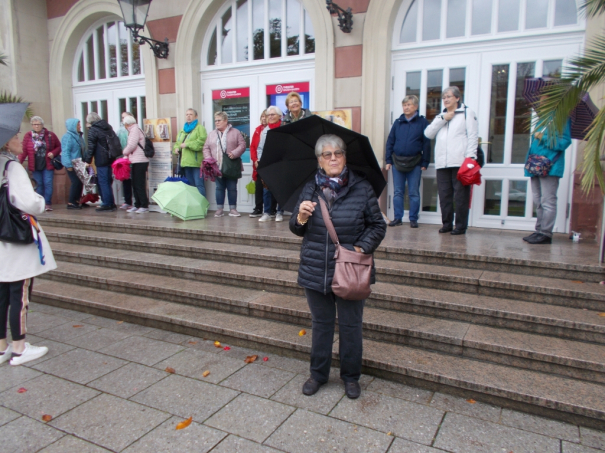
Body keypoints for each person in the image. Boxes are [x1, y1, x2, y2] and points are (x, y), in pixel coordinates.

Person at [289, 134, 386, 399]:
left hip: (351, 269)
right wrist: (300, 217)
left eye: (338, 153)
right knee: (321, 324)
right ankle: (318, 374)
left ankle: (351, 377)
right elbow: (297, 229)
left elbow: (377, 225)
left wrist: (359, 248)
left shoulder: (362, 188)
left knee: (351, 326)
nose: (333, 158)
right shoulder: (309, 189)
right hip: (315, 267)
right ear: (319, 160)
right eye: (326, 154)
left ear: (345, 157)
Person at [1, 131, 57, 366]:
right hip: (16, 238)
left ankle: (2, 346)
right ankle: (20, 348)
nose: (19, 140)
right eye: (15, 136)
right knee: (19, 293)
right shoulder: (11, 167)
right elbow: (29, 202)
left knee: (2, 294)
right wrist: (40, 201)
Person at [424, 86, 478, 235]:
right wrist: (442, 119)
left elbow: (473, 137)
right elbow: (428, 134)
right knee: (444, 195)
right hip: (442, 162)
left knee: (460, 196)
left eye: (449, 96)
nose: (446, 100)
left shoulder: (467, 113)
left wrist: (470, 158)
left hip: (460, 162)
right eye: (444, 97)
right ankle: (447, 224)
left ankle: (460, 226)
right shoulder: (441, 116)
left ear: (457, 98)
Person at [523, 120, 572, 245]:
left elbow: (564, 142)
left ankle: (546, 233)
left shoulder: (561, 119)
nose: (541, 100)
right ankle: (539, 230)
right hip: (535, 165)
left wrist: (543, 137)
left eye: (543, 98)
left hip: (550, 167)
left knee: (548, 201)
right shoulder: (542, 120)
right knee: (538, 200)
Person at [385, 95, 430, 228]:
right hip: (397, 162)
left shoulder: (422, 123)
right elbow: (390, 142)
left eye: (409, 105)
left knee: (413, 192)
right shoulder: (398, 122)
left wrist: (425, 162)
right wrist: (388, 160)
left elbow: (427, 144)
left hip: (415, 162)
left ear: (415, 106)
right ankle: (397, 218)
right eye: (404, 105)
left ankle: (413, 219)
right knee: (398, 192)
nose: (406, 107)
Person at [203, 112, 246, 217]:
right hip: (216, 165)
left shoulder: (235, 132)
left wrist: (235, 153)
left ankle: (233, 209)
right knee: (219, 187)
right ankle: (219, 209)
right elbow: (206, 147)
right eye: (215, 120)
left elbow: (243, 144)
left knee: (232, 187)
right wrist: (208, 159)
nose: (216, 122)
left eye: (219, 120)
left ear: (226, 121)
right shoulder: (212, 134)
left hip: (231, 165)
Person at [19, 116, 61, 212]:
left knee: (48, 183)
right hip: (35, 164)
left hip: (47, 164)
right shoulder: (28, 136)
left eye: (38, 124)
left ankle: (48, 203)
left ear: (42, 125)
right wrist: (17, 163)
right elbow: (24, 151)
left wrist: (53, 153)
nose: (36, 126)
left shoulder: (50, 135)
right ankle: (40, 204)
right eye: (34, 124)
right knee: (39, 184)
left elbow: (58, 146)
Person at [83, 112, 118, 212]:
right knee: (107, 181)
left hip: (101, 158)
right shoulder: (107, 127)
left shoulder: (93, 130)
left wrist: (87, 160)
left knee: (103, 182)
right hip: (110, 157)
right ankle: (111, 203)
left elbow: (91, 147)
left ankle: (107, 203)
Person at [173, 108, 207, 198]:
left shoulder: (200, 128)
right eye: (187, 114)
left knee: (199, 185)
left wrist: (188, 144)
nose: (188, 116)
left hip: (196, 163)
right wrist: (176, 149)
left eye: (191, 114)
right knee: (190, 186)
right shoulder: (182, 130)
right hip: (185, 163)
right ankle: (193, 206)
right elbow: (177, 143)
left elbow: (202, 143)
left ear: (196, 116)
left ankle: (202, 206)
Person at [258, 106, 284, 222]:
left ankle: (279, 212)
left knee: (280, 189)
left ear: (279, 116)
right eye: (269, 115)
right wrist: (259, 160)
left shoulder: (284, 128)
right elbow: (260, 148)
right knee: (266, 190)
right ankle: (267, 212)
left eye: (273, 114)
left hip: (281, 163)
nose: (271, 117)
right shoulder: (264, 131)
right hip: (268, 164)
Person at [122, 115, 150, 213]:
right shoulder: (134, 129)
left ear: (127, 124)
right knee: (135, 183)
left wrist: (124, 152)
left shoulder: (134, 130)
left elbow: (132, 145)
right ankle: (137, 204)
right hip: (136, 160)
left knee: (139, 183)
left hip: (140, 160)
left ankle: (143, 204)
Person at [60, 118, 85, 210]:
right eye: (78, 125)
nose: (80, 126)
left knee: (80, 181)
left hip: (79, 163)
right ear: (72, 126)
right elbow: (65, 151)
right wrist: (68, 165)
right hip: (71, 163)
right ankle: (71, 202)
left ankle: (77, 201)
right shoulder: (68, 137)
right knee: (75, 182)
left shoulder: (79, 136)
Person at [249, 110, 268, 217]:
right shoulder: (257, 130)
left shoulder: (270, 129)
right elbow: (252, 147)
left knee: (269, 188)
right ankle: (258, 208)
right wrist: (255, 159)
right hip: (258, 163)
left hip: (267, 162)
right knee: (259, 186)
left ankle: (270, 209)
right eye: (262, 116)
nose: (263, 118)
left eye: (265, 116)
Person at [117, 111, 134, 210]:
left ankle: (135, 201)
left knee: (135, 182)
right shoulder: (120, 131)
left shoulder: (134, 129)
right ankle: (127, 201)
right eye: (122, 117)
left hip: (133, 159)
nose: (123, 119)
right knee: (126, 181)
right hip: (124, 160)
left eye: (125, 117)